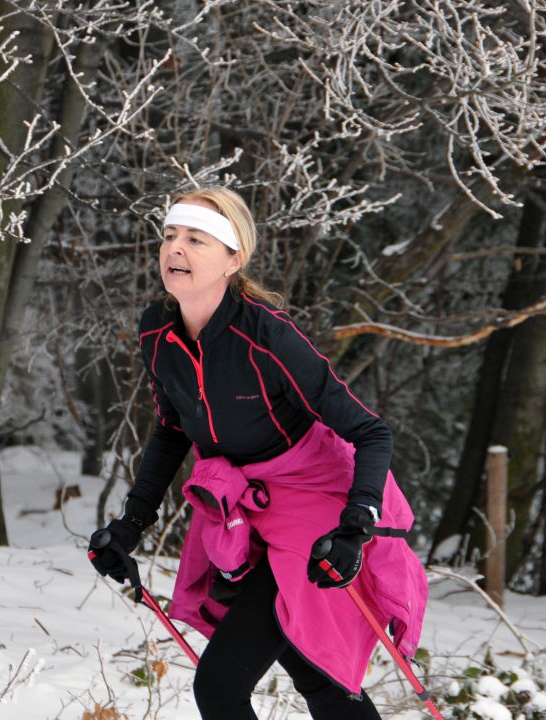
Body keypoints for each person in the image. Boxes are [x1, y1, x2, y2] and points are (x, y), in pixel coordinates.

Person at [88, 187, 428, 720]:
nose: (176, 248)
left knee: (220, 686)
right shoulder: (157, 330)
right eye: (171, 235)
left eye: (196, 239)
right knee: (318, 678)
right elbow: (173, 429)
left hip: (312, 509)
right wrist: (132, 522)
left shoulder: (267, 336)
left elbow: (371, 431)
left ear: (233, 259)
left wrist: (357, 522)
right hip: (241, 511)